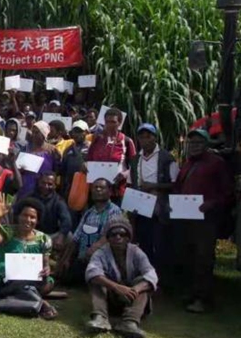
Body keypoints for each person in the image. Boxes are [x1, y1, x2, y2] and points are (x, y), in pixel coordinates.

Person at [173, 129, 234, 313]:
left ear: (206, 145)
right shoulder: (187, 164)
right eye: (192, 143)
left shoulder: (216, 163)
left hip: (206, 219)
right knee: (188, 255)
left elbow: (228, 193)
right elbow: (177, 187)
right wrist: (174, 202)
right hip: (186, 217)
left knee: (204, 257)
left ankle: (203, 298)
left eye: (199, 143)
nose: (194, 146)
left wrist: (211, 204)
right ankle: (192, 293)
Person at [85, 216, 157, 338]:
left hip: (132, 298)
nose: (118, 237)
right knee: (96, 279)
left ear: (128, 237)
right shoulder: (101, 253)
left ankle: (130, 322)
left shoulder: (136, 252)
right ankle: (100, 317)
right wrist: (116, 287)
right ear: (108, 238)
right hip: (111, 298)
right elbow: (92, 271)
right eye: (113, 234)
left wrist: (135, 289)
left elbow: (151, 273)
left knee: (143, 281)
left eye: (122, 234)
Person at [0, 194, 57, 319]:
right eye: (25, 215)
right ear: (18, 216)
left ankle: (17, 295)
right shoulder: (8, 231)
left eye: (32, 217)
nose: (28, 220)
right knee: (6, 277)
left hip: (30, 279)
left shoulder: (44, 239)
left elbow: (45, 264)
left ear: (37, 220)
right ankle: (41, 303)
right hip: (4, 277)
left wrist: (46, 270)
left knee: (48, 283)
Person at [128, 123, 178, 271]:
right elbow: (131, 184)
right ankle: (145, 275)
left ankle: (161, 277)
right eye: (141, 137)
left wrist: (153, 186)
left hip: (160, 207)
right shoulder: (135, 159)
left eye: (148, 136)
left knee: (160, 243)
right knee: (144, 242)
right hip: (141, 207)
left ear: (155, 138)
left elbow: (175, 184)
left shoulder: (166, 158)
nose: (145, 140)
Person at [59, 179, 123, 284]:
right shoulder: (89, 213)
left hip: (103, 260)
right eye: (95, 187)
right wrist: (66, 259)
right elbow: (76, 238)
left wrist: (93, 249)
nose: (97, 190)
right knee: (64, 275)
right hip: (84, 260)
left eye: (101, 188)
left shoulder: (114, 211)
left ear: (110, 191)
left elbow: (110, 236)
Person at [14, 172, 72, 256]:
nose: (46, 186)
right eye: (43, 183)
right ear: (38, 182)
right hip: (30, 234)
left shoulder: (59, 201)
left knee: (69, 236)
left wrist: (61, 236)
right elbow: (16, 213)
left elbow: (67, 220)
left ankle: (60, 264)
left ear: (55, 186)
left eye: (50, 184)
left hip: (50, 236)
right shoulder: (29, 197)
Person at [86, 108, 136, 197]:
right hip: (97, 192)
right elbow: (89, 161)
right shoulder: (97, 140)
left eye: (113, 122)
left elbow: (136, 168)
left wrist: (124, 174)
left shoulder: (126, 141)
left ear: (119, 123)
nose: (109, 125)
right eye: (107, 122)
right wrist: (85, 165)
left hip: (117, 191)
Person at [16, 121, 60, 200]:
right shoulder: (25, 148)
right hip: (27, 188)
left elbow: (56, 170)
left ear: (44, 134)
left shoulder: (52, 151)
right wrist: (20, 170)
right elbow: (17, 168)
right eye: (33, 132)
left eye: (37, 132)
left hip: (44, 189)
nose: (34, 135)